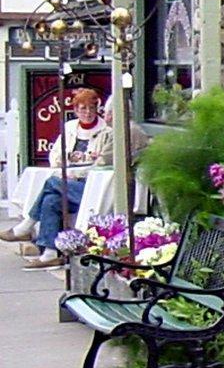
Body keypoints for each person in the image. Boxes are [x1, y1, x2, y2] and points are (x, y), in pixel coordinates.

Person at [5, 91, 144, 267]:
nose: (92, 113)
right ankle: (49, 253)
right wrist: (71, 157)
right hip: (90, 185)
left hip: (100, 191)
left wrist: (82, 163)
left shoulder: (117, 133)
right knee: (52, 200)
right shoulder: (71, 128)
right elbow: (57, 155)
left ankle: (27, 225)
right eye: (83, 108)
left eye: (94, 109)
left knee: (52, 183)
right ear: (76, 110)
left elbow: (101, 162)